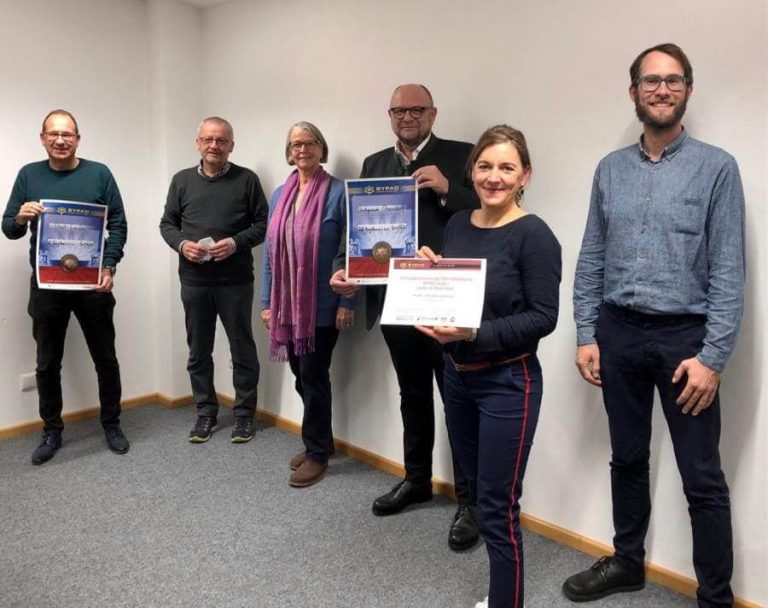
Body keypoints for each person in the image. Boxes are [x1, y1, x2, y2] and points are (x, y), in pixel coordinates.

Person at [564, 43, 745, 607]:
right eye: (650, 81)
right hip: (617, 332)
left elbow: (729, 268)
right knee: (627, 456)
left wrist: (713, 357)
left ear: (687, 89)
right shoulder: (610, 169)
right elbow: (592, 253)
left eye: (672, 80)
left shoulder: (717, 167)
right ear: (634, 92)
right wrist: (587, 332)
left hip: (684, 341)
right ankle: (628, 561)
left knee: (702, 476)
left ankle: (715, 596)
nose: (661, 89)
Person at [331, 83, 481, 550]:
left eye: (417, 109)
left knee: (457, 400)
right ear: (389, 114)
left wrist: (448, 189)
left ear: (433, 112)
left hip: (444, 299)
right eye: (400, 109)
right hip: (395, 301)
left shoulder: (462, 155)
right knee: (412, 394)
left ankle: (470, 502)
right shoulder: (375, 164)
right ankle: (416, 480)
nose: (408, 116)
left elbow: (489, 213)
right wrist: (344, 269)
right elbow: (360, 228)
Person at [418, 125, 561, 608]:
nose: (494, 177)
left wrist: (473, 334)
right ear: (471, 171)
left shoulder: (534, 234)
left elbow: (544, 318)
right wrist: (430, 273)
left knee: (499, 510)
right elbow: (460, 297)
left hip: (508, 383)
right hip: (457, 379)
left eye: (506, 167)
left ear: (525, 175)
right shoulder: (458, 223)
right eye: (485, 166)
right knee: (478, 499)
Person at [2, 109, 129, 464]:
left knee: (105, 358)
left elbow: (117, 224)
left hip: (92, 285)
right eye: (54, 134)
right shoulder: (28, 175)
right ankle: (52, 430)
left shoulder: (99, 174)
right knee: (47, 363)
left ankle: (112, 423)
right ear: (42, 138)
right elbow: (8, 227)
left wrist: (109, 265)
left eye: (68, 134)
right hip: (47, 286)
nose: (61, 140)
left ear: (78, 138)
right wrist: (20, 217)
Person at [260, 122, 357, 487]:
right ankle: (324, 440)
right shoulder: (278, 195)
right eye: (296, 144)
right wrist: (268, 303)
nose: (303, 149)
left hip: (323, 304)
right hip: (287, 306)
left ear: (321, 148)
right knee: (303, 376)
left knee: (314, 377)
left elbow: (350, 251)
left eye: (310, 142)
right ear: (289, 151)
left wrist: (348, 301)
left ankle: (317, 453)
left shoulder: (337, 193)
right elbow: (270, 254)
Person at [160, 117, 268, 444]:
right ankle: (205, 412)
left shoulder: (247, 180)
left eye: (221, 140)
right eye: (208, 139)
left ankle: (244, 415)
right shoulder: (181, 181)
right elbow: (167, 224)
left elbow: (264, 224)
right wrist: (182, 244)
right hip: (194, 281)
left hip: (234, 281)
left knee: (242, 349)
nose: (214, 145)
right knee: (198, 350)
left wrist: (235, 243)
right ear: (198, 144)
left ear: (231, 145)